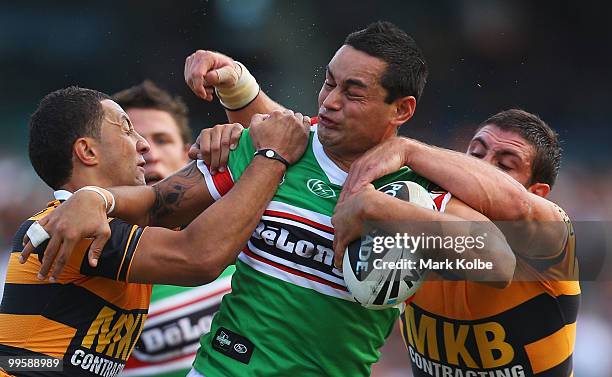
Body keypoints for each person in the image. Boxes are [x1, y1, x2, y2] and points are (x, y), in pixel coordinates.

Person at [24, 21, 516, 377]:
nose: (329, 101)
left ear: (401, 109)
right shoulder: (274, 147)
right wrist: (95, 197)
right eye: (327, 82)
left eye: (354, 92)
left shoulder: (419, 189)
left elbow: (498, 258)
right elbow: (157, 204)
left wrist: (376, 207)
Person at [0, 87, 309, 377]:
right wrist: (270, 157)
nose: (143, 143)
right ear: (87, 151)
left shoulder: (127, 221)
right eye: (126, 128)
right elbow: (199, 257)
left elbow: (185, 203)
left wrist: (233, 141)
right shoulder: (70, 227)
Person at [337, 109, 579, 376]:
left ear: (538, 194)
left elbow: (516, 208)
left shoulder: (552, 234)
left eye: (505, 166)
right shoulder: (418, 215)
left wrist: (403, 153)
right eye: (475, 155)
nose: (481, 168)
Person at [112, 81, 235, 377]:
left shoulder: (244, 241)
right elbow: (18, 362)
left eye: (162, 140)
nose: (148, 152)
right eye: (131, 140)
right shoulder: (82, 259)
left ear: (188, 156)